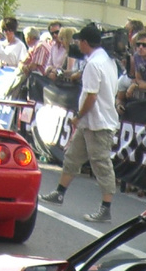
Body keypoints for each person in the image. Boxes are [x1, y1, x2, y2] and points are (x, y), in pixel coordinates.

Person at [42, 23, 120, 224]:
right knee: (72, 157)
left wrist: (78, 115)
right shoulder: (106, 60)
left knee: (101, 164)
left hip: (98, 122)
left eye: (79, 41)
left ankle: (106, 208)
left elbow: (91, 96)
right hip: (91, 122)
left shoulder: (95, 64)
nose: (77, 44)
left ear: (85, 42)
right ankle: (59, 192)